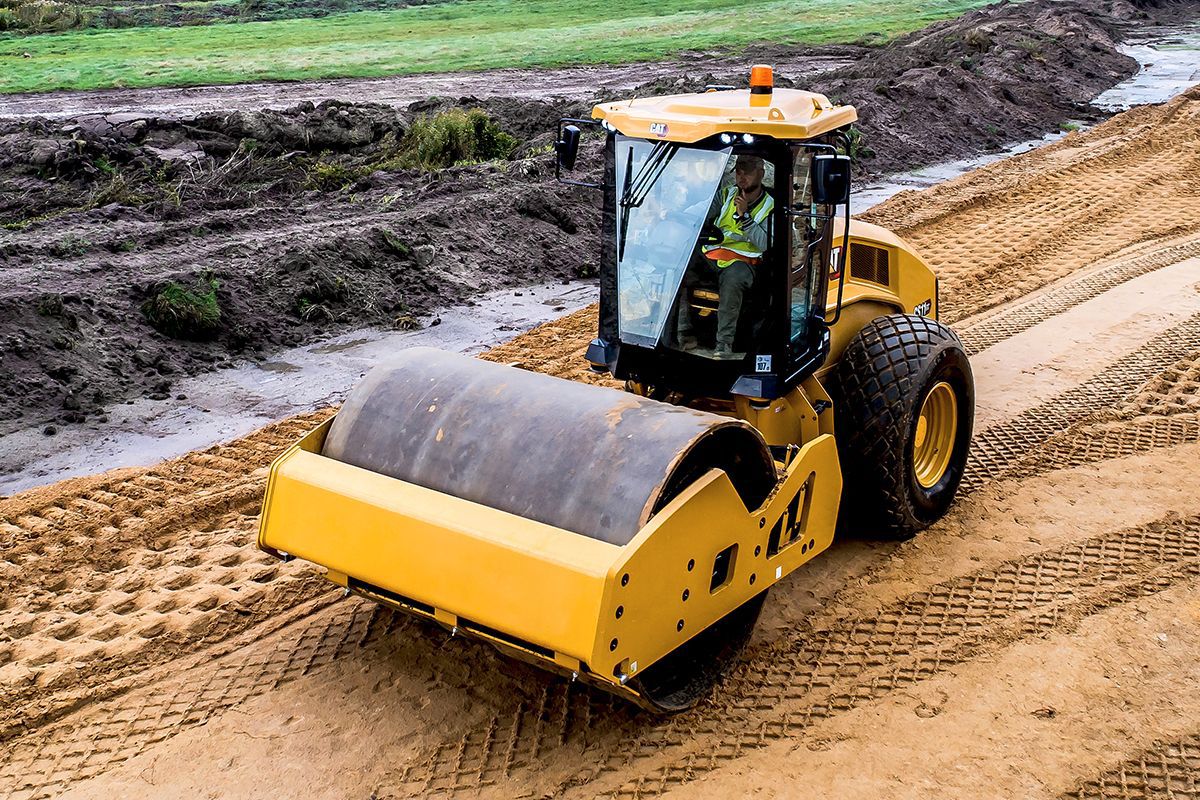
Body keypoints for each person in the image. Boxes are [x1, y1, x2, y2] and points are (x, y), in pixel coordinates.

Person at [677, 154, 774, 358]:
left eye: (746, 171)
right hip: (713, 256)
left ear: (761, 173)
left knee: (733, 280)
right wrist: (678, 216)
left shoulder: (771, 206)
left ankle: (723, 345)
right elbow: (699, 212)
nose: (741, 176)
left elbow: (765, 243)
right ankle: (683, 334)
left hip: (745, 263)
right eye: (738, 171)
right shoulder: (726, 195)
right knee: (679, 266)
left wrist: (744, 216)